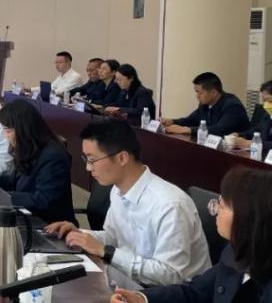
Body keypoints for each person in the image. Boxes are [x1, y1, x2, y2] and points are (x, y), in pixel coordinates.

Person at [46, 122, 210, 288]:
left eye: (92, 160)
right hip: (132, 284)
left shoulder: (170, 205)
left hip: (173, 293)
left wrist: (105, 251)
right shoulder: (117, 190)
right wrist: (80, 235)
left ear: (122, 158)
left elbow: (170, 276)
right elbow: (113, 237)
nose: (88, 168)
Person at [112, 167, 272, 302]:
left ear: (248, 217)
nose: (215, 210)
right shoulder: (234, 251)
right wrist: (142, 298)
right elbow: (195, 291)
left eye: (222, 206)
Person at [0, 99, 75, 224]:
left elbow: (43, 200)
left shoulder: (53, 156)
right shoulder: (28, 147)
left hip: (49, 223)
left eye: (8, 131)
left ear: (24, 130)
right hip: (25, 215)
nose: (5, 136)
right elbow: (13, 180)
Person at [161, 72, 249, 137]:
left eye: (200, 93)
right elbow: (191, 120)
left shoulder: (232, 106)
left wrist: (188, 130)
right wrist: (172, 121)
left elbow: (220, 130)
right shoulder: (205, 104)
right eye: (196, 92)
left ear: (214, 92)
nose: (197, 96)